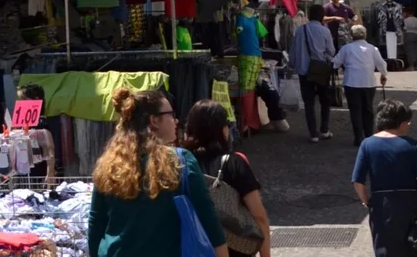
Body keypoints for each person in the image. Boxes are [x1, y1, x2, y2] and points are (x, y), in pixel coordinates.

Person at [88, 88, 228, 257]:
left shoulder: (108, 164)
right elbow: (209, 222)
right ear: (154, 120)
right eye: (171, 114)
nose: (176, 120)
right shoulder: (181, 161)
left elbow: (96, 224)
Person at [183, 100, 273, 257]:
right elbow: (259, 216)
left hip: (193, 248)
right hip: (237, 248)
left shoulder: (181, 163)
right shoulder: (234, 163)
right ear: (222, 130)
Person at [352, 100, 417, 257]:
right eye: (408, 122)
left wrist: (365, 200)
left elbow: (358, 181)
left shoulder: (367, 145)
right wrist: (409, 190)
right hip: (409, 204)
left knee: (384, 247)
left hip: (381, 204)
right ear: (401, 123)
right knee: (410, 246)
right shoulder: (412, 145)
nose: (409, 125)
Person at [334, 25, 389, 146]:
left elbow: (335, 63)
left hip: (351, 82)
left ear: (352, 35)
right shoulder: (372, 48)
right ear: (365, 34)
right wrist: (383, 75)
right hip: (368, 82)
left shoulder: (346, 48)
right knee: (368, 110)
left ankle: (358, 137)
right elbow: (382, 64)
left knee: (355, 110)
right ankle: (369, 136)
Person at [289, 5, 336, 143]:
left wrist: (292, 65)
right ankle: (324, 129)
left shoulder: (299, 31)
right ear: (322, 17)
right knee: (324, 101)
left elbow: (293, 51)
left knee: (308, 102)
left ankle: (313, 133)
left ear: (308, 16)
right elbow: (331, 52)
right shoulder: (325, 31)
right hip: (321, 70)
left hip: (304, 71)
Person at [17, 83, 56, 186]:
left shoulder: (41, 123)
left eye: (24, 99)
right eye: (20, 100)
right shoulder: (22, 123)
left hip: (38, 173)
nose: (21, 103)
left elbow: (49, 149)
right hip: (23, 171)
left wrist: (50, 172)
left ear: (36, 99)